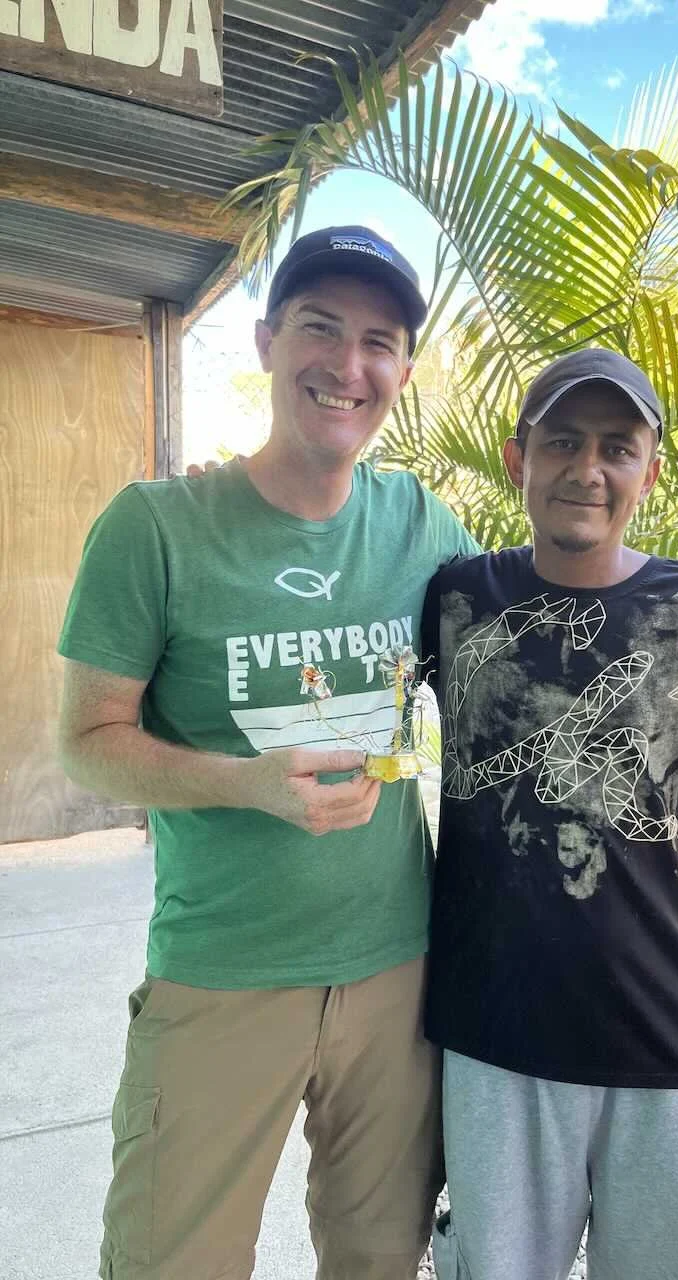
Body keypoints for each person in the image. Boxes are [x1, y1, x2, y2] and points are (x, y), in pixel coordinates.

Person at [57, 226, 480, 1280]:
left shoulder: (422, 524)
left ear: (404, 371)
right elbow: (88, 742)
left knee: (379, 1259)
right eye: (320, 328)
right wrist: (240, 784)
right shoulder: (157, 528)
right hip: (221, 972)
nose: (348, 365)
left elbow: (539, 643)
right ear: (266, 342)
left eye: (379, 342)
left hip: (396, 973)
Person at [421, 348, 678, 1280]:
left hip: (661, 1034)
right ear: (517, 458)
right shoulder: (456, 599)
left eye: (618, 447)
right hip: (495, 1037)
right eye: (562, 442)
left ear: (648, 473)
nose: (588, 469)